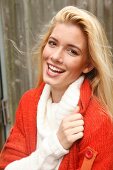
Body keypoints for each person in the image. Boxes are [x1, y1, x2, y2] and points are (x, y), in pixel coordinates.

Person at [0, 5, 113, 170]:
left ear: (88, 65)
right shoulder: (29, 103)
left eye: (72, 51)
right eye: (53, 43)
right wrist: (55, 146)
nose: (55, 57)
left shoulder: (99, 122)